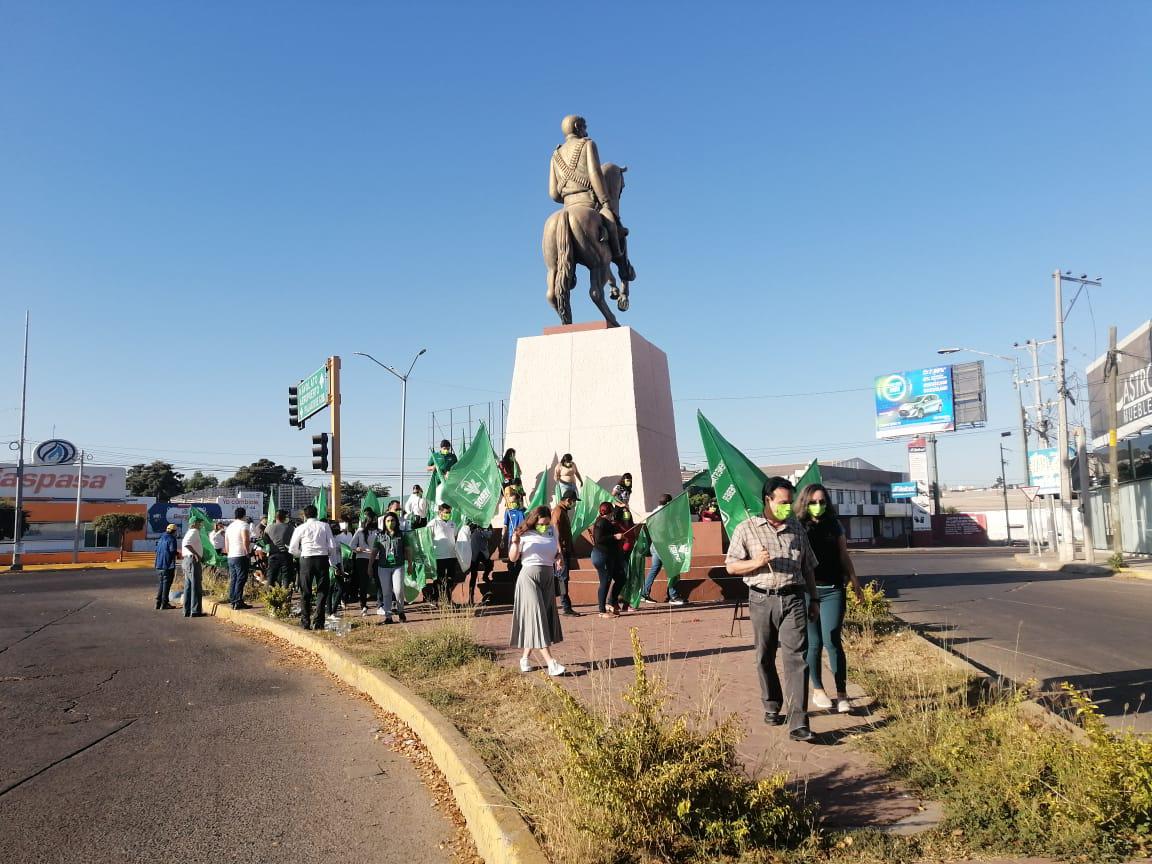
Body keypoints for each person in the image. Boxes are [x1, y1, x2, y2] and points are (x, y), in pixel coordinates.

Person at [725, 477, 821, 743]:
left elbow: (808, 568)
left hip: (793, 599)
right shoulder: (747, 529)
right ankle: (771, 703)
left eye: (790, 503)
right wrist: (755, 562)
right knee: (764, 656)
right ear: (767, 499)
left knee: (796, 659)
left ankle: (798, 722)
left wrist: (814, 600)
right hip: (761, 599)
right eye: (782, 503)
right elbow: (731, 566)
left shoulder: (797, 529)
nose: (787, 508)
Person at [796, 483, 865, 715]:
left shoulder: (834, 525)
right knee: (813, 644)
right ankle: (818, 689)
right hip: (808, 591)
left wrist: (855, 581)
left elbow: (843, 554)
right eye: (813, 502)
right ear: (805, 503)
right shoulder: (798, 526)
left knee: (833, 639)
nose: (818, 506)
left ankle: (842, 694)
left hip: (833, 588)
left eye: (822, 502)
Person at [508, 506, 565, 676]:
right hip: (529, 578)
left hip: (548, 577)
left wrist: (559, 558)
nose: (544, 526)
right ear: (534, 520)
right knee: (536, 617)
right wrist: (515, 543)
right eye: (541, 523)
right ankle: (551, 663)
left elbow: (556, 551)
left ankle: (525, 658)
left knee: (541, 618)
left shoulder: (552, 531)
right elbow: (513, 558)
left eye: (547, 523)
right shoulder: (523, 533)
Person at [289, 504, 336, 630]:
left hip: (306, 559)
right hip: (322, 559)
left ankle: (305, 621)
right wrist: (330, 557)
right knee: (322, 590)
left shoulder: (300, 527)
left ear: (304, 515)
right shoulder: (325, 526)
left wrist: (302, 554)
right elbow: (332, 546)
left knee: (305, 591)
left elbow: (292, 548)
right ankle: (319, 622)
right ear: (317, 514)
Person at [641, 495, 685, 606]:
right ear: (668, 503)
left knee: (654, 569)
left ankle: (644, 593)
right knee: (673, 569)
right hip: (664, 546)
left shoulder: (654, 513)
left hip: (655, 545)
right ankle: (673, 596)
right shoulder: (666, 514)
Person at [592, 502, 627, 617]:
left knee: (621, 577)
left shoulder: (606, 521)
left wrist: (620, 507)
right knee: (605, 582)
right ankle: (601, 611)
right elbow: (599, 539)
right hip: (602, 556)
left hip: (610, 556)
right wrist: (614, 537)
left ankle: (611, 602)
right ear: (609, 512)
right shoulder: (601, 522)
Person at [550, 489, 581, 616]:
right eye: (573, 501)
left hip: (564, 549)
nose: (574, 504)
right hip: (560, 551)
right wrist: (559, 551)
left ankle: (564, 605)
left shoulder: (562, 511)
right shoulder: (558, 511)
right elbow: (555, 531)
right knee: (562, 578)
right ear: (568, 500)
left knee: (563, 578)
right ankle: (566, 607)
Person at [374, 512, 408, 623]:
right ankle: (388, 617)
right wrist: (370, 566)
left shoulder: (402, 535)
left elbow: (408, 550)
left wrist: (411, 564)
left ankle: (400, 611)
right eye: (388, 521)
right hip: (383, 567)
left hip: (398, 566)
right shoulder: (379, 536)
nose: (390, 523)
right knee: (386, 592)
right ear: (384, 523)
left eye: (392, 520)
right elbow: (374, 552)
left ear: (396, 522)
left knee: (398, 590)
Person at [426, 503, 460, 604]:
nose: (448, 514)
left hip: (451, 555)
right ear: (440, 512)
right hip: (439, 556)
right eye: (446, 512)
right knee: (439, 579)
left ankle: (447, 599)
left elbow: (455, 536)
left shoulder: (452, 523)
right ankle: (435, 598)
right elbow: (427, 538)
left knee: (450, 579)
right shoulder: (433, 523)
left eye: (449, 512)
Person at [350, 511, 379, 617]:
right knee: (364, 583)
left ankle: (381, 604)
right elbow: (352, 545)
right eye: (370, 519)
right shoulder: (360, 531)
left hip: (376, 558)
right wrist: (357, 549)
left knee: (379, 581)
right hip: (362, 559)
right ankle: (363, 605)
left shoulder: (378, 532)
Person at [224, 507, 252, 610]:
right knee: (241, 578)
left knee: (234, 578)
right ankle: (238, 601)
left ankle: (233, 600)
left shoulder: (229, 527)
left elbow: (226, 542)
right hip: (240, 555)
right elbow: (245, 539)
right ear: (244, 515)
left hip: (231, 555)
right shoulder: (244, 525)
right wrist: (247, 552)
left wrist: (228, 553)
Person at [462, 521, 494, 605]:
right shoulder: (471, 524)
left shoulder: (487, 524)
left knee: (490, 565)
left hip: (483, 552)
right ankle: (470, 598)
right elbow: (466, 533)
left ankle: (485, 576)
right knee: (473, 576)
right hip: (474, 553)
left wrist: (481, 530)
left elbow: (490, 535)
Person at [264, 509, 294, 590]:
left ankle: (270, 597)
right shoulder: (290, 528)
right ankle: (286, 596)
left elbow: (265, 541)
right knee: (286, 577)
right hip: (286, 555)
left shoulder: (268, 527)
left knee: (271, 576)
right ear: (284, 518)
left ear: (275, 517)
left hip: (273, 555)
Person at [181, 519, 205, 618]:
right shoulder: (194, 531)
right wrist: (196, 554)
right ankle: (195, 610)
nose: (201, 525)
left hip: (187, 560)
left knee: (188, 587)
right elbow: (187, 543)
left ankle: (187, 610)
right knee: (196, 586)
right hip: (192, 561)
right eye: (199, 523)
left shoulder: (189, 532)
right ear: (195, 523)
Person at [330, 521, 354, 618]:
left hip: (338, 564)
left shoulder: (337, 538)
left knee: (337, 588)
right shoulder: (333, 539)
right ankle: (332, 610)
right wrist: (334, 567)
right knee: (337, 588)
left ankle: (332, 610)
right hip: (334, 565)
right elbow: (330, 554)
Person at [154, 524, 179, 610]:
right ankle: (164, 603)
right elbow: (172, 551)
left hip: (159, 565)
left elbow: (156, 550)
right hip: (167, 565)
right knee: (166, 585)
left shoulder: (161, 538)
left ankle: (158, 602)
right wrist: (178, 554)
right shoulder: (171, 539)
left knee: (161, 584)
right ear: (174, 531)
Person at [502, 491, 527, 579]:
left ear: (518, 500)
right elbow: (505, 525)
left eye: (513, 502)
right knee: (512, 555)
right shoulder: (508, 511)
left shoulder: (524, 511)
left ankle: (520, 573)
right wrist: (502, 537)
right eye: (510, 502)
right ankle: (511, 573)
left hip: (522, 537)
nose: (511, 504)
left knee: (521, 555)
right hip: (512, 537)